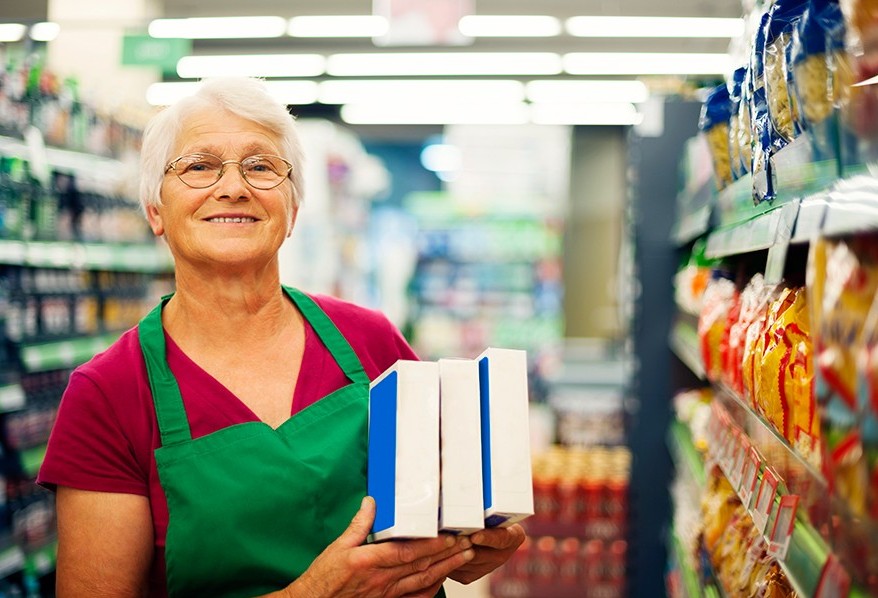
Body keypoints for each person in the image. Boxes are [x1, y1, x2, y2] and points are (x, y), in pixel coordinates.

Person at [37, 77, 526, 597]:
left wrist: (474, 543)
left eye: (261, 166)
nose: (234, 187)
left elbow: (452, 511)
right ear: (155, 209)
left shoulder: (372, 343)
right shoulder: (109, 393)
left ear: (292, 210)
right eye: (199, 166)